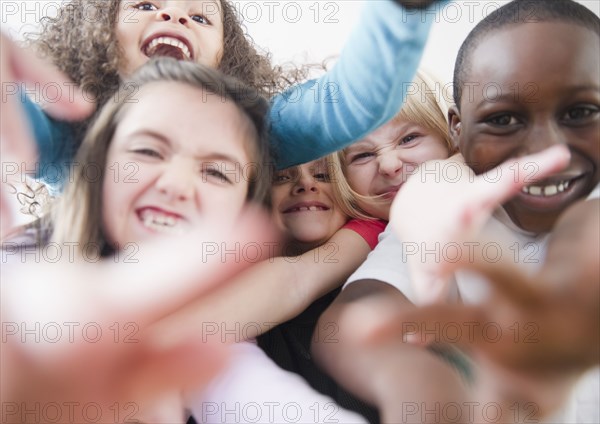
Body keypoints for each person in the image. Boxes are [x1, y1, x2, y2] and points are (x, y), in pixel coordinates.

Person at [313, 1, 599, 422]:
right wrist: (406, 375)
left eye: (580, 113)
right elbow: (350, 320)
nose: (545, 149)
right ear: (457, 129)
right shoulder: (441, 217)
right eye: (503, 120)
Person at [2, 57, 276, 422]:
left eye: (216, 172)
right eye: (147, 151)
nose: (176, 184)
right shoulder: (18, 274)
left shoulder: (230, 346)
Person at [4, 0, 447, 193]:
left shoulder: (252, 133)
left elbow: (352, 101)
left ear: (223, 58)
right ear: (97, 38)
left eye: (200, 15)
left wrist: (401, 9)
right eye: (143, 6)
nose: (173, 13)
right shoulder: (69, 138)